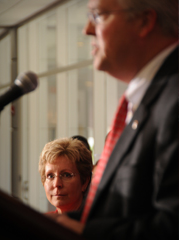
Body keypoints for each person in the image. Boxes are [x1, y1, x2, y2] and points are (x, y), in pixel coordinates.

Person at [54, 0, 178, 239]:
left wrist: (87, 233)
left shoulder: (173, 99)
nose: (87, 29)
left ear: (144, 21)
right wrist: (59, 222)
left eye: (98, 15)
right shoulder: (147, 98)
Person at [39, 138, 93, 214]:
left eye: (66, 175)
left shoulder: (97, 224)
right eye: (50, 176)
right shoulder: (41, 222)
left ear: (85, 182)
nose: (57, 184)